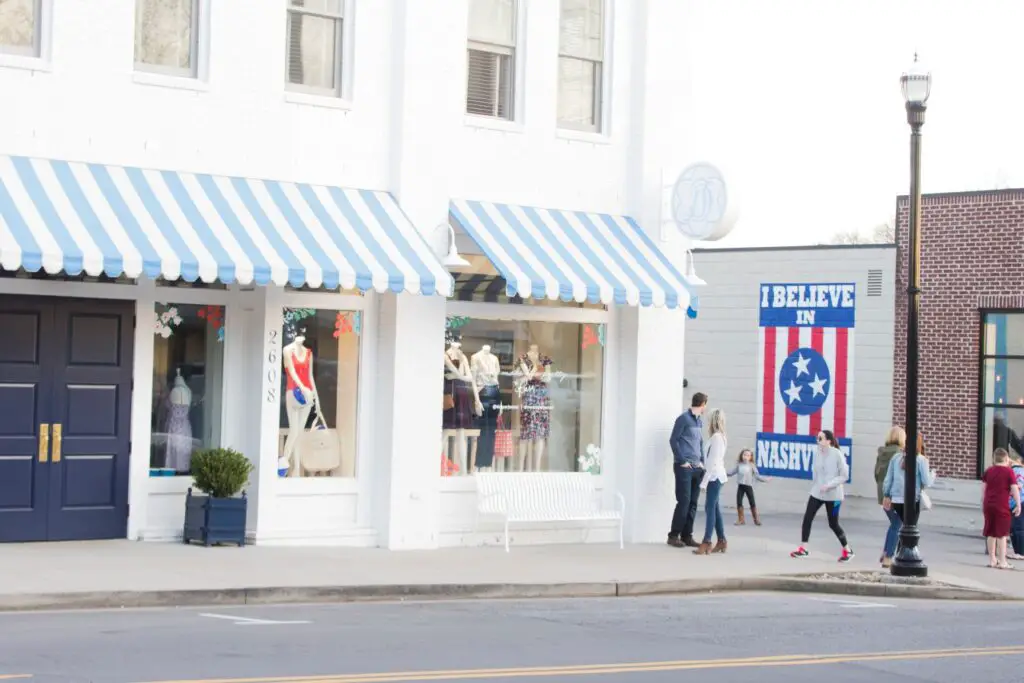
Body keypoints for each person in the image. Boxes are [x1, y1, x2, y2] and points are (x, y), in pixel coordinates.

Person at [790, 430, 854, 562]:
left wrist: (829, 485)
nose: (817, 440)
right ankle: (804, 548)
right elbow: (816, 472)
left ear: (828, 441)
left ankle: (848, 550)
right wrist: (817, 485)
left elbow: (844, 475)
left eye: (820, 438)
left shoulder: (837, 454)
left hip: (834, 496)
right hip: (817, 492)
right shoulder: (817, 453)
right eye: (817, 438)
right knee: (807, 518)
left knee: (833, 523)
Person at [881, 431, 934, 567]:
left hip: (896, 500)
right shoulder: (921, 460)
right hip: (912, 501)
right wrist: (932, 474)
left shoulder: (896, 458)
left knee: (899, 528)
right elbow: (926, 481)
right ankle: (900, 557)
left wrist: (886, 495)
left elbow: (888, 479)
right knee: (910, 530)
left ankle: (893, 556)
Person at [668, 392, 708, 548]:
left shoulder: (699, 422)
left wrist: (702, 462)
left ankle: (687, 536)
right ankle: (673, 536)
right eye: (706, 404)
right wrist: (682, 460)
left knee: (693, 504)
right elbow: (673, 440)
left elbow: (700, 443)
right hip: (684, 468)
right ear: (702, 404)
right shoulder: (683, 418)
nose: (706, 407)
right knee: (683, 502)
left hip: (697, 468)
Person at [695, 409, 729, 555]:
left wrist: (704, 482)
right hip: (715, 475)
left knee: (710, 509)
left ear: (713, 421)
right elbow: (712, 460)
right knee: (714, 508)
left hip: (714, 477)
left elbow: (713, 462)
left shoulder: (716, 437)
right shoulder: (720, 437)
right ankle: (721, 540)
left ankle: (707, 541)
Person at [982, 448, 1021, 569]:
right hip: (1001, 506)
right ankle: (1003, 561)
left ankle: (992, 559)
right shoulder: (1008, 472)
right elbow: (1014, 489)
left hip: (988, 505)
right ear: (1006, 458)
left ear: (994, 459)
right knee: (1002, 534)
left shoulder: (988, 471)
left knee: (990, 532)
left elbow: (984, 489)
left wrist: (983, 503)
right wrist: (1018, 504)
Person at [874, 427, 906, 567]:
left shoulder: (881, 453)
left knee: (896, 524)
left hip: (883, 495)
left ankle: (889, 551)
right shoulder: (899, 454)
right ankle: (888, 556)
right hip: (895, 495)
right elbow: (898, 477)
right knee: (897, 525)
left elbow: (876, 474)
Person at [728, 448, 770, 526]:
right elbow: (731, 472)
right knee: (739, 502)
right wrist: (723, 472)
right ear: (741, 456)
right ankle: (741, 519)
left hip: (748, 486)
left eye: (748, 455)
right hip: (741, 485)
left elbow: (757, 476)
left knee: (752, 502)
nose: (745, 456)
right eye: (744, 455)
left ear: (750, 457)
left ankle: (756, 519)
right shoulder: (739, 465)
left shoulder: (752, 466)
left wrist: (765, 479)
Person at [1010, 452, 1024, 560]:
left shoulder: (1016, 471)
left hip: (1018, 502)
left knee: (1017, 528)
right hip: (1020, 502)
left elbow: (1019, 486)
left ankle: (1020, 552)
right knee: (1017, 527)